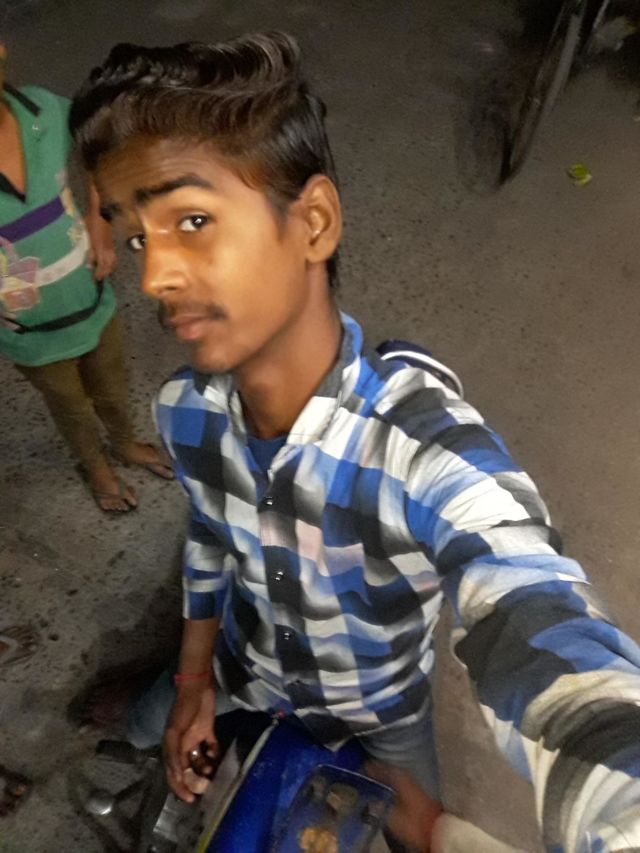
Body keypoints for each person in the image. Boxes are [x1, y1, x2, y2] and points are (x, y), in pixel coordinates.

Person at [70, 33, 640, 850]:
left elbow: (536, 609)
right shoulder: (185, 412)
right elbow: (210, 539)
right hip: (243, 665)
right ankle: (144, 728)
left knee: (411, 831)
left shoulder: (423, 453)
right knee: (158, 727)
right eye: (136, 238)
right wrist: (195, 677)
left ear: (314, 222)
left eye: (192, 220)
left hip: (380, 708)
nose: (154, 276)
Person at [0, 42, 173, 512]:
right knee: (69, 404)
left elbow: (98, 156)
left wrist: (99, 222)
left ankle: (124, 442)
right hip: (29, 332)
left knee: (112, 384)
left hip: (91, 298)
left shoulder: (46, 112)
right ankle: (95, 464)